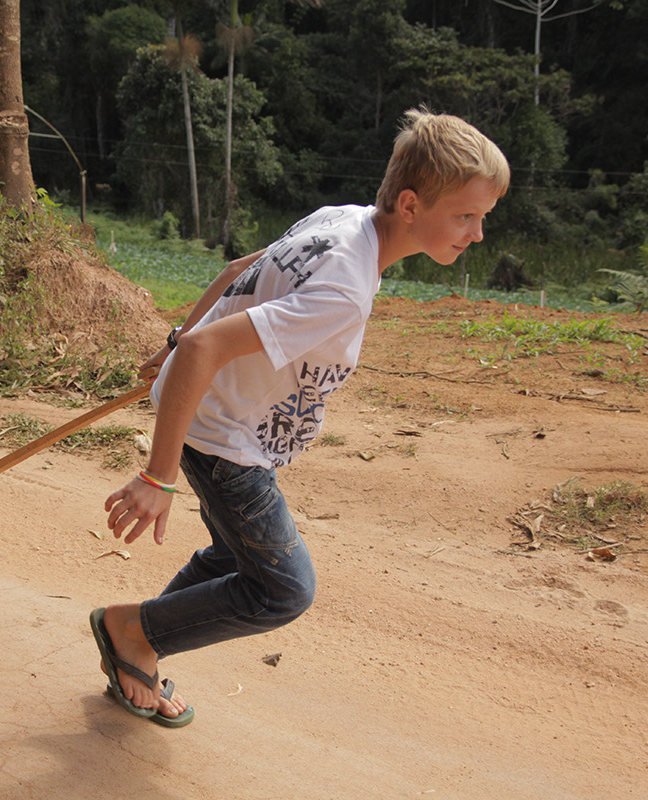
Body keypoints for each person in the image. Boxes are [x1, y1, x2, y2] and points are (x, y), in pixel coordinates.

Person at [91, 109, 510, 727]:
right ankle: (132, 633)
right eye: (466, 216)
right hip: (221, 440)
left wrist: (173, 342)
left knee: (241, 556)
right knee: (284, 589)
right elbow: (207, 350)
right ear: (412, 205)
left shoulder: (344, 220)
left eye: (484, 218)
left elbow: (238, 273)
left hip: (222, 421)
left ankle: (137, 641)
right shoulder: (343, 289)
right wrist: (159, 475)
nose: (477, 234)